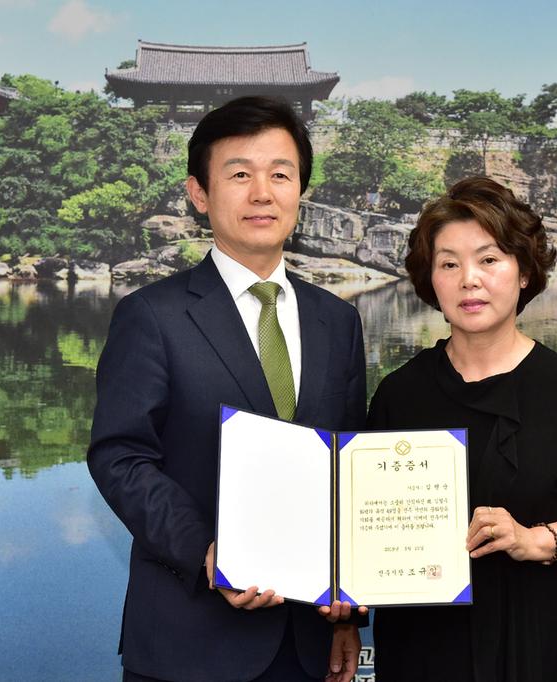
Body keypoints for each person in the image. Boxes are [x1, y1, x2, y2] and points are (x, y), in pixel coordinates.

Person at [88, 96, 366, 682]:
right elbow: (120, 457)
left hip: (308, 642)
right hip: (190, 642)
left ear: (300, 191)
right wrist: (208, 554)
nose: (262, 193)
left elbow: (349, 466)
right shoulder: (151, 316)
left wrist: (348, 612)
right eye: (240, 174)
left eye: (280, 175)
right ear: (199, 193)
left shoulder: (337, 321)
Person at [367, 176, 557, 682]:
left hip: (528, 637)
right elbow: (363, 524)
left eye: (489, 259)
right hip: (419, 643)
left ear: (524, 273)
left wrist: (533, 540)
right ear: (431, 281)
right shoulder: (398, 394)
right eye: (449, 264)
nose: (469, 280)